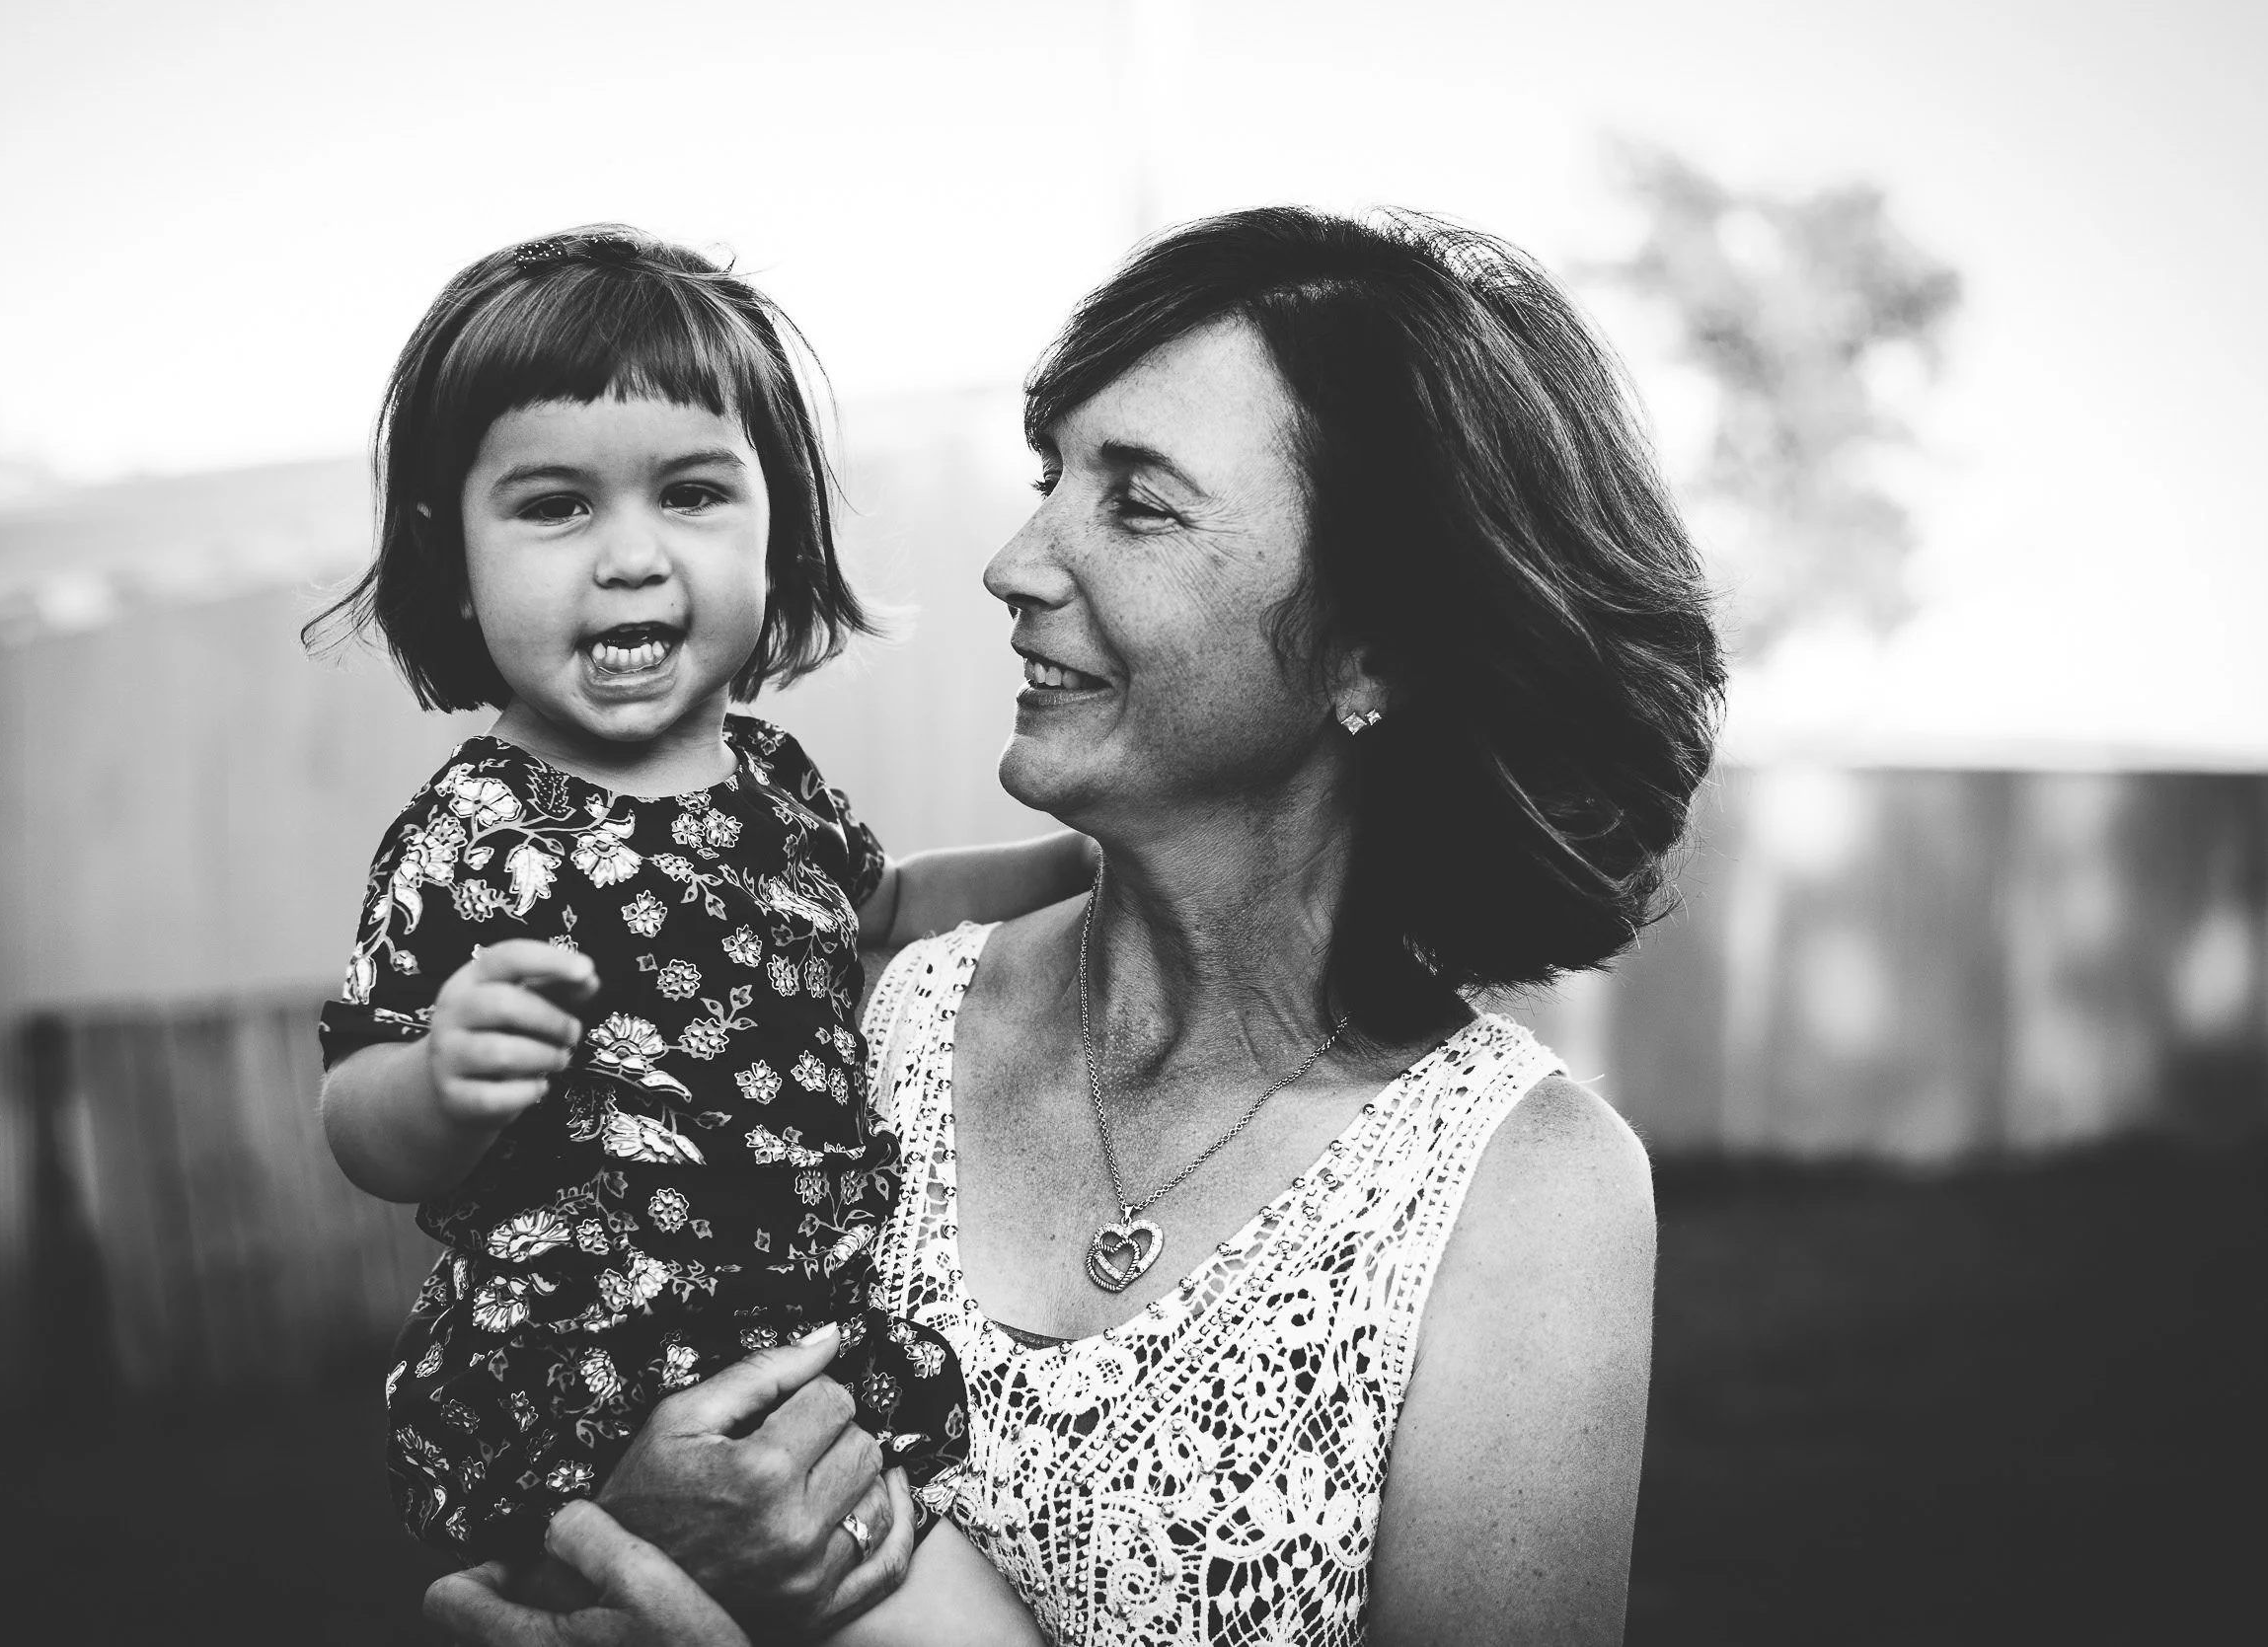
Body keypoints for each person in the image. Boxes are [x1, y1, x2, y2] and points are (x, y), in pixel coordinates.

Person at [426, 204, 1725, 1646]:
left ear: (1381, 644)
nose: (1017, 561)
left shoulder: (1519, 1190)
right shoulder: (841, 1007)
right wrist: (597, 1553)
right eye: (1054, 478)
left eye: (1140, 503)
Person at [309, 225, 1079, 1642]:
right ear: (451, 555)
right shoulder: (478, 831)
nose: (631, 557)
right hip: (598, 1373)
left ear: (776, 524)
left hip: (797, 1333)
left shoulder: (773, 783)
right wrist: (438, 1082)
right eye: (555, 506)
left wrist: (1073, 862)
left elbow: (886, 910)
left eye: (693, 493)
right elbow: (357, 1107)